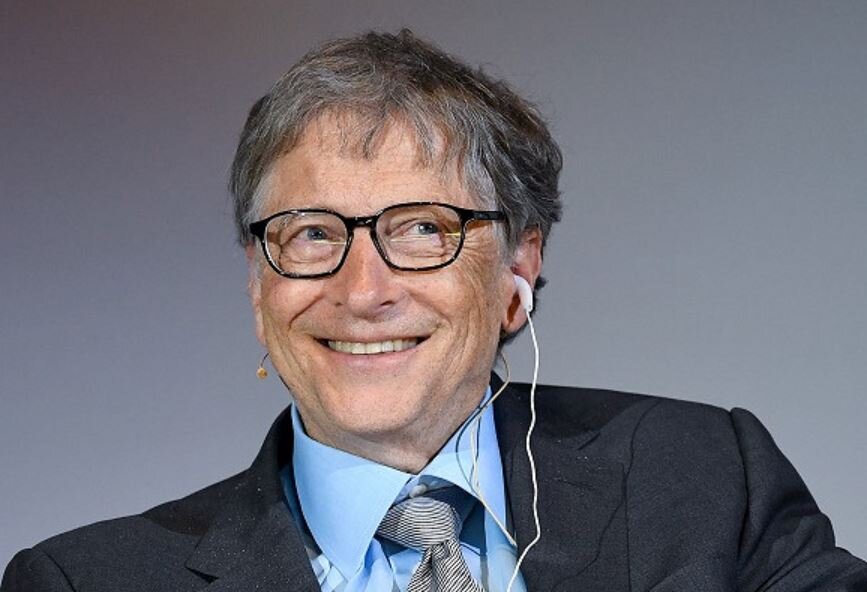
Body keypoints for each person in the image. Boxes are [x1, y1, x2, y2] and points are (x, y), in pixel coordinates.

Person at [2, 29, 865, 592]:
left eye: (423, 229)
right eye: (311, 234)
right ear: (259, 286)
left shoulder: (704, 476)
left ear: (518, 265)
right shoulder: (86, 581)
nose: (363, 290)